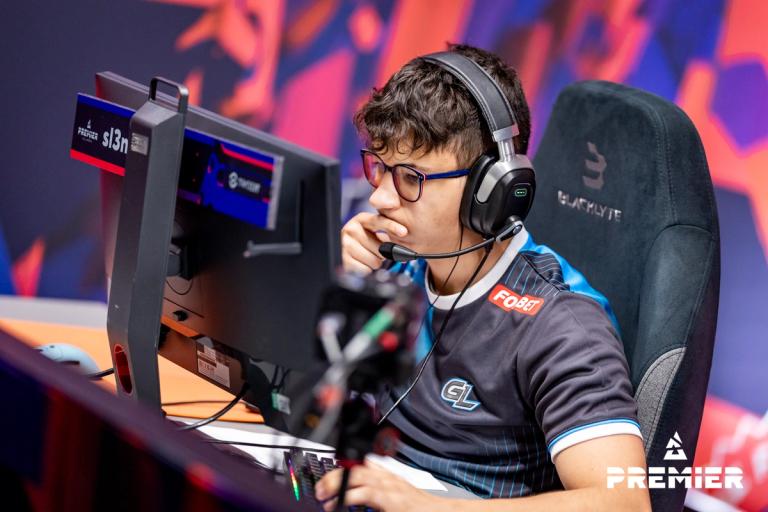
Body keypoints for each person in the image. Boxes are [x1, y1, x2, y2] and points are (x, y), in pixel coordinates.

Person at [316, 44, 651, 512]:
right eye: (380, 167)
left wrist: (425, 508)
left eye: (410, 177)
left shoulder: (561, 324)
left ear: (490, 189)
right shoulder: (391, 269)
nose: (381, 199)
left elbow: (624, 504)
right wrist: (336, 291)